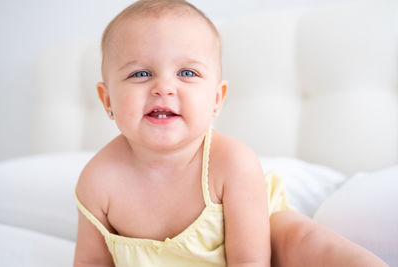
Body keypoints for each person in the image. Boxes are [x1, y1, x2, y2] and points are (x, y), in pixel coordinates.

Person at [73, 0, 388, 266]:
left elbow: (250, 259)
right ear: (108, 100)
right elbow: (90, 262)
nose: (164, 88)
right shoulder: (98, 180)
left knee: (299, 238)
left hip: (257, 245)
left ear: (216, 99)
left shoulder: (231, 163)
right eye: (140, 73)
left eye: (187, 73)